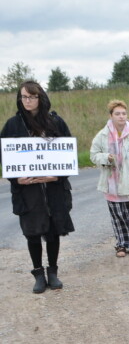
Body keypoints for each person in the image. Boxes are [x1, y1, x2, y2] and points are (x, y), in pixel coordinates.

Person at [0, 81, 74, 293]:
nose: (27, 101)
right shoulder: (13, 125)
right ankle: (38, 273)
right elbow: (5, 157)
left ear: (41, 98)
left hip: (53, 190)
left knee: (52, 231)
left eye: (32, 97)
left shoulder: (55, 122)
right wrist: (16, 179)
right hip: (28, 191)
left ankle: (53, 272)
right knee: (32, 233)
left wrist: (56, 176)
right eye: (23, 97)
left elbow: (68, 155)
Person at [90, 100, 129, 258]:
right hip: (111, 183)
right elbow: (93, 155)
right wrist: (106, 157)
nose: (121, 116)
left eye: (124, 113)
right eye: (117, 114)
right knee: (118, 216)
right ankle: (122, 244)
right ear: (111, 116)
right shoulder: (102, 135)